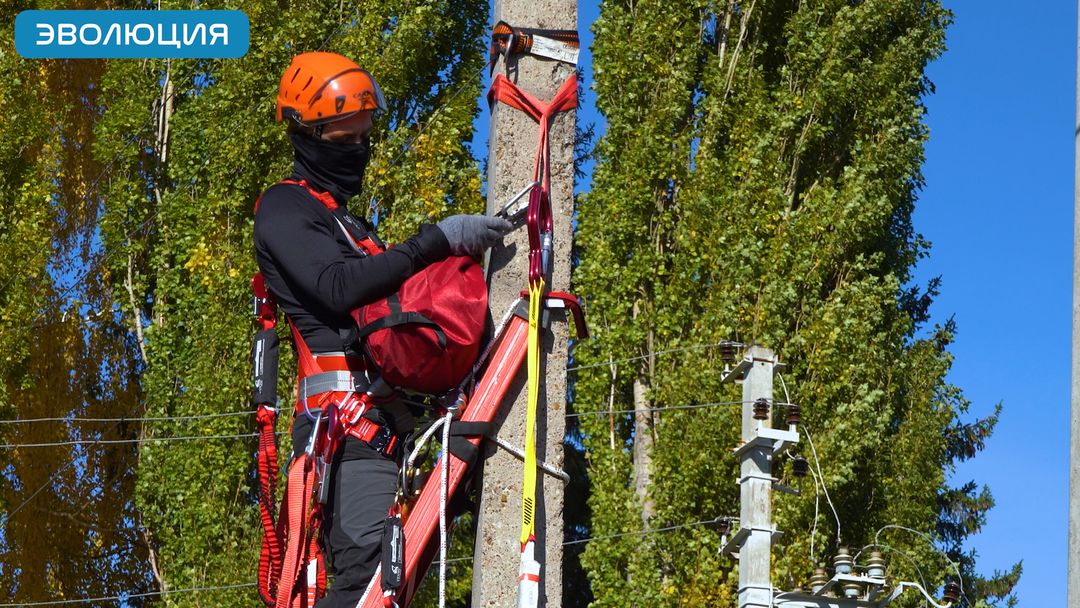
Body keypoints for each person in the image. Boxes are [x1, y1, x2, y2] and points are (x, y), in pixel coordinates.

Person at [253, 51, 511, 608]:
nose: (359, 151)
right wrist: (435, 242)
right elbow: (338, 287)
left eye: (365, 137)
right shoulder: (284, 208)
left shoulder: (344, 222)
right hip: (346, 432)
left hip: (382, 426)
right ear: (309, 135)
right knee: (369, 580)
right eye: (347, 140)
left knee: (394, 575)